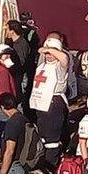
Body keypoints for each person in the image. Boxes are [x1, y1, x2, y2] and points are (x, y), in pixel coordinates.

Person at [29, 37, 70, 167]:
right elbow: (40, 52)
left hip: (54, 103)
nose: (49, 55)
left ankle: (52, 163)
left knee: (52, 137)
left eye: (52, 53)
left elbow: (64, 58)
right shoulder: (43, 65)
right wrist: (46, 50)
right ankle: (43, 160)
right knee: (43, 135)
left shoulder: (60, 66)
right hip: (41, 104)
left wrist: (50, 49)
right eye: (47, 54)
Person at [5, 20, 33, 108]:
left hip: (20, 76)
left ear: (12, 31)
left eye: (7, 29)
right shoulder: (10, 43)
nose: (6, 32)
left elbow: (21, 62)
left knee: (20, 98)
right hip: (14, 75)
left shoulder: (21, 44)